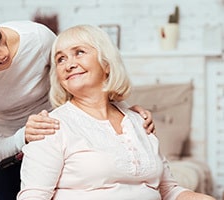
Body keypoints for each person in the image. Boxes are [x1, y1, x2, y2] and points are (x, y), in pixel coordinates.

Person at [0, 2, 155, 200]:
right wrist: (25, 134)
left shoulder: (37, 39)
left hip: (58, 140)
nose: (3, 52)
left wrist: (124, 115)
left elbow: (79, 84)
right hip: (7, 151)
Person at [17, 24, 215, 200]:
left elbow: (167, 190)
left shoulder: (139, 121)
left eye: (79, 52)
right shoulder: (51, 126)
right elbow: (34, 195)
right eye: (60, 59)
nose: (69, 65)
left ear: (106, 63)